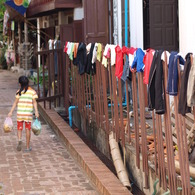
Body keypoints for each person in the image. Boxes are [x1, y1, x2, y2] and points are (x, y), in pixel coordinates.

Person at [8, 76, 39, 152]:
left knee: (19, 128)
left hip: (20, 114)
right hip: (28, 115)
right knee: (28, 129)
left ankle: (19, 139)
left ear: (19, 84)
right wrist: (36, 111)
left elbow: (15, 103)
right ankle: (27, 147)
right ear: (28, 82)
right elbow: (34, 102)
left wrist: (11, 112)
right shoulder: (32, 92)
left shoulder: (19, 92)